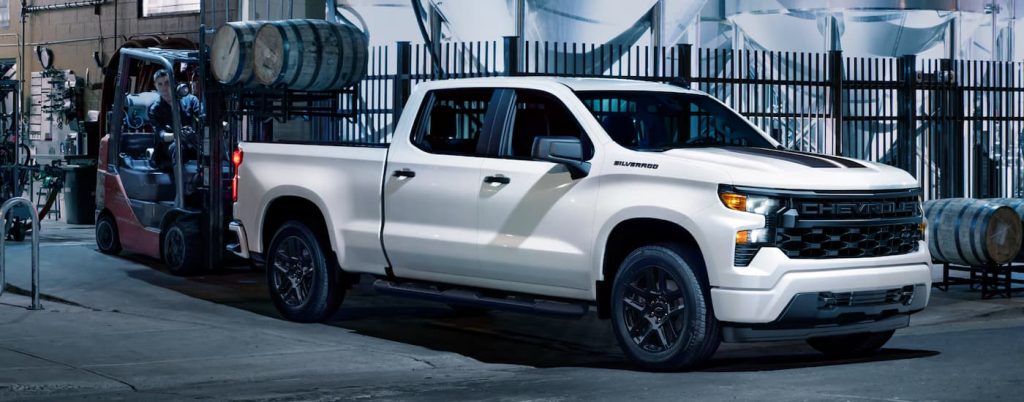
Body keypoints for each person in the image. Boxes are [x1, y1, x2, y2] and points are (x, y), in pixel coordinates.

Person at [148, 69, 201, 169]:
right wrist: (178, 135)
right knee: (178, 148)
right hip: (169, 145)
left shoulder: (191, 100)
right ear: (156, 86)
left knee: (208, 147)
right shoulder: (154, 109)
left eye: (167, 83)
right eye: (160, 84)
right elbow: (161, 135)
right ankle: (180, 182)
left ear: (174, 83)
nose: (164, 88)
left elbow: (203, 117)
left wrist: (219, 123)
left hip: (192, 141)